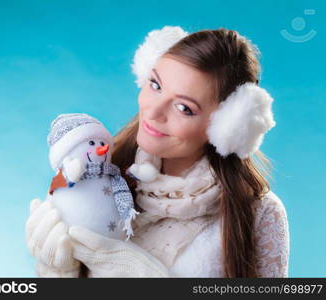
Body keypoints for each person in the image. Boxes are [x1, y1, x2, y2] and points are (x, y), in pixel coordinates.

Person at [25, 26, 290, 277]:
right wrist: (59, 275)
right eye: (155, 85)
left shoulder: (259, 213)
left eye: (184, 108)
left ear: (226, 128)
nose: (153, 112)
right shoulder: (102, 178)